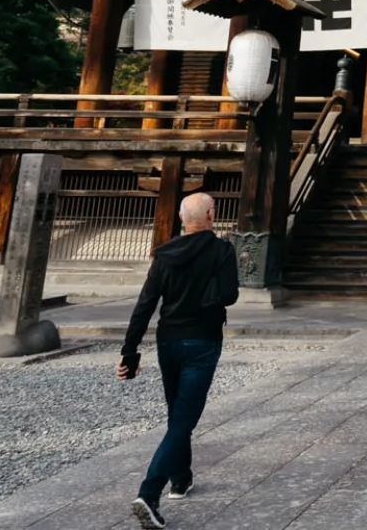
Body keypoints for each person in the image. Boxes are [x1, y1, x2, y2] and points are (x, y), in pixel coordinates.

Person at [117, 192, 240, 529]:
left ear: (182, 220)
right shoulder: (221, 250)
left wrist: (130, 352)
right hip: (202, 340)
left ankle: (181, 480)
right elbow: (230, 295)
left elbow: (145, 304)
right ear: (211, 216)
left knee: (178, 412)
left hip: (168, 340)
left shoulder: (164, 254)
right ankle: (149, 492)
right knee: (185, 418)